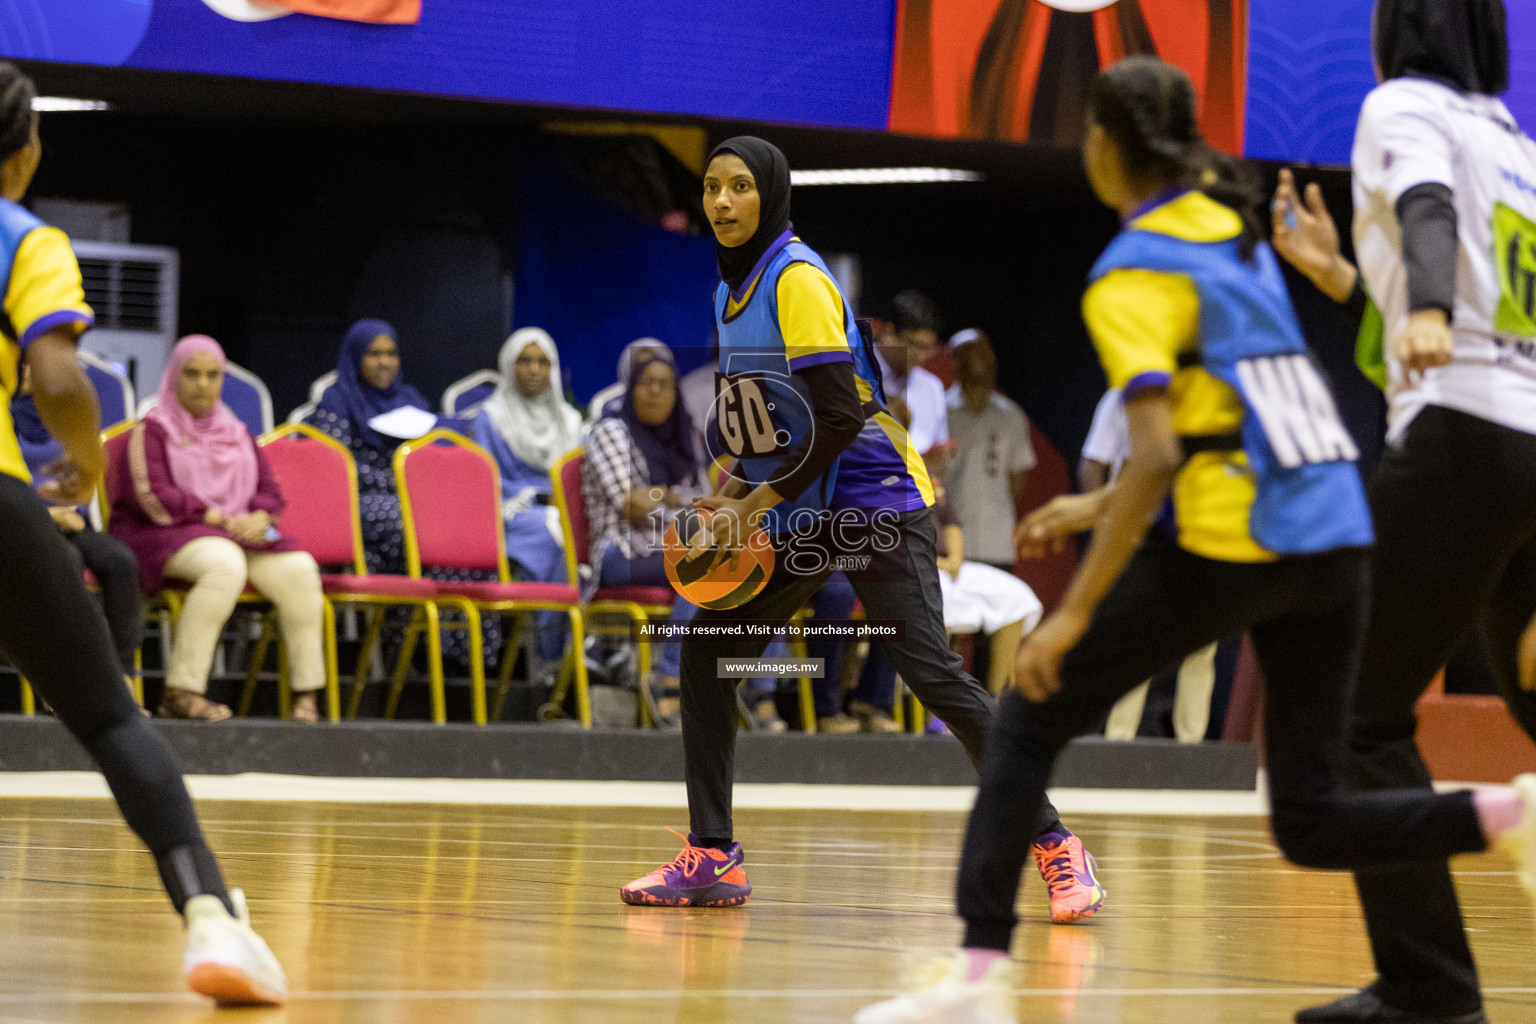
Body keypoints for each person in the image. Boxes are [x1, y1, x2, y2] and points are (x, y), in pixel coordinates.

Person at [856, 55, 1536, 1024]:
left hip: (1239, 534)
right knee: (1308, 817)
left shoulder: (1130, 270)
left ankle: (973, 981)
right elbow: (1243, 405)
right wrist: (1099, 509)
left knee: (1025, 719)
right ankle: (1511, 813)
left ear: (1104, 145)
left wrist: (1072, 610)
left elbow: (1162, 445)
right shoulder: (1235, 231)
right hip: (1336, 531)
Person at [619, 136, 1102, 925]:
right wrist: (727, 501)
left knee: (931, 672)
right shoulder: (726, 294)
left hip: (875, 501)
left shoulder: (798, 279)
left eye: (740, 187)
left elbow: (839, 415)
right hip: (804, 503)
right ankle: (713, 856)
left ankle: (1054, 842)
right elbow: (774, 426)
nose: (722, 202)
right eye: (711, 188)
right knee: (708, 648)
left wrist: (745, 510)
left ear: (769, 194)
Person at [1268, 3, 1536, 1020]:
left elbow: (1427, 211)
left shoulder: (1402, 107)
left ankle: (1429, 988)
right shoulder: (1518, 145)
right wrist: (1350, 279)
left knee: (1353, 716)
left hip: (1464, 439)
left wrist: (1422, 305)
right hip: (1530, 444)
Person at [0, 61, 284, 1003]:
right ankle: (212, 916)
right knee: (112, 716)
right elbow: (60, 377)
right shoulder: (23, 237)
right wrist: (84, 461)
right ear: (25, 154)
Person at [110, 336, 327, 724]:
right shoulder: (153, 430)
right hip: (161, 535)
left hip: (235, 535)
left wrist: (261, 518)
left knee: (300, 568)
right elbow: (152, 497)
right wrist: (216, 517)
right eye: (192, 374)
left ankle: (305, 694)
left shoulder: (237, 431)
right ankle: (182, 691)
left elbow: (268, 492)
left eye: (213, 376)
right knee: (224, 564)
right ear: (174, 376)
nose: (203, 384)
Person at [1080, 386, 1219, 744]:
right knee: (1136, 637)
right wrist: (1103, 528)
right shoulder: (1122, 396)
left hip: (1199, 529)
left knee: (1202, 647)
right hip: (1137, 530)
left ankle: (1192, 745)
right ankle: (1117, 741)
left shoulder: (1207, 392)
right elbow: (1093, 463)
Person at [582, 339, 706, 719]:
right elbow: (631, 503)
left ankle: (758, 691)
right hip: (622, 553)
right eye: (645, 382)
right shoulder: (610, 431)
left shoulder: (685, 439)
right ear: (629, 388)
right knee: (701, 567)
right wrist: (672, 498)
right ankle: (669, 680)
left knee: (752, 569)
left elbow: (708, 503)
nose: (655, 392)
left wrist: (667, 498)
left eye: (665, 384)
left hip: (669, 547)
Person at [14, 365, 142, 689]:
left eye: (36, 365)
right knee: (64, 563)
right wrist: (46, 517)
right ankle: (60, 686)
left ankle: (120, 678)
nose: (31, 372)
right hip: (17, 525)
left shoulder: (68, 417)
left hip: (69, 520)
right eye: (22, 364)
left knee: (120, 561)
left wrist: (73, 506)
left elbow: (80, 481)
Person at [468, 327, 582, 682]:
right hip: (509, 517)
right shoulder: (490, 418)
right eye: (525, 361)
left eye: (543, 362)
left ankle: (590, 652)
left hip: (563, 513)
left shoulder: (570, 421)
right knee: (553, 533)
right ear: (508, 365)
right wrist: (536, 496)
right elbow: (485, 484)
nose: (534, 370)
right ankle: (550, 659)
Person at [308, 319, 429, 578]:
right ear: (355, 356)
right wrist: (389, 480)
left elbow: (428, 458)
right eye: (374, 354)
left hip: (410, 496)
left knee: (455, 523)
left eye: (391, 353)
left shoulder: (411, 399)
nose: (385, 362)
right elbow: (335, 466)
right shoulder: (338, 399)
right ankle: (395, 614)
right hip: (357, 499)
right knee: (411, 522)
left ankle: (441, 614)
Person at [873, 290, 949, 456]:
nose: (921, 356)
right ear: (888, 332)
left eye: (928, 348)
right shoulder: (850, 372)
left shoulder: (931, 388)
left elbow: (938, 454)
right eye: (914, 344)